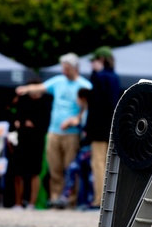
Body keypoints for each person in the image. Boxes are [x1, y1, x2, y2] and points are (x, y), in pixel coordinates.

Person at [16, 53, 92, 205]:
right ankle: (55, 198)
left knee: (70, 168)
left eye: (67, 68)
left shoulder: (85, 86)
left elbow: (87, 108)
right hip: (54, 132)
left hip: (72, 134)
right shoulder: (58, 81)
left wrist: (74, 120)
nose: (64, 71)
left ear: (75, 68)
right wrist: (26, 88)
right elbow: (41, 87)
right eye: (63, 68)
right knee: (54, 167)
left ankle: (70, 200)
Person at [86, 46, 121, 209]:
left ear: (100, 60)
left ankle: (98, 198)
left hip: (99, 128)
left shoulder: (99, 77)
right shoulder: (115, 77)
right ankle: (107, 199)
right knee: (108, 163)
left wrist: (89, 128)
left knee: (98, 163)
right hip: (111, 127)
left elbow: (95, 104)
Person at [8, 78, 50, 209]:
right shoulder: (22, 101)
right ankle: (18, 203)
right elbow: (17, 119)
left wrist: (30, 125)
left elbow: (44, 125)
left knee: (34, 172)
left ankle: (32, 203)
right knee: (18, 172)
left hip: (36, 142)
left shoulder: (45, 103)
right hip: (22, 141)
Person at [53, 88, 94, 209]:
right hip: (85, 148)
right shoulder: (83, 111)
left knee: (74, 168)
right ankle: (86, 200)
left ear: (83, 98)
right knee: (85, 174)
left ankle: (67, 196)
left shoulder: (89, 111)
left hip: (88, 148)